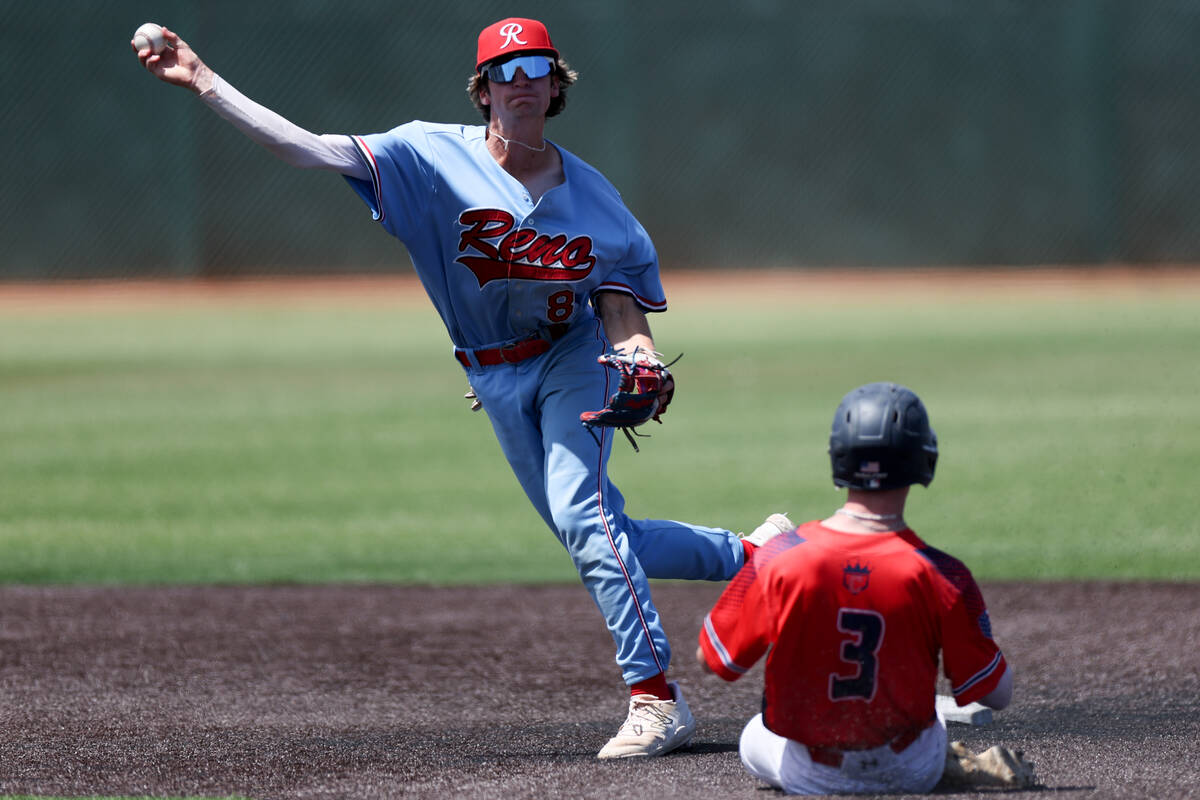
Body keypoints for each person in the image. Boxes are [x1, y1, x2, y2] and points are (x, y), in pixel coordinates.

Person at [134, 17, 793, 759]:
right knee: (608, 537)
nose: (522, 82)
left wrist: (642, 356)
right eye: (505, 72)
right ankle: (756, 554)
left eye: (536, 68)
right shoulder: (424, 155)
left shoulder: (598, 201)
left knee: (586, 522)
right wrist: (202, 80)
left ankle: (656, 699)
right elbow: (303, 148)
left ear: (555, 85)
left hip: (569, 357)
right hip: (492, 371)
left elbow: (618, 308)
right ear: (483, 91)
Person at [697, 382, 1023, 794]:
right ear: (924, 461)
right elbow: (997, 694)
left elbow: (712, 661)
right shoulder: (945, 574)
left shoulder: (781, 555)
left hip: (811, 773)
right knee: (930, 717)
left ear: (838, 460)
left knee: (753, 736)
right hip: (911, 769)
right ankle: (945, 761)